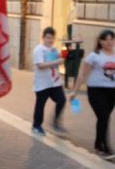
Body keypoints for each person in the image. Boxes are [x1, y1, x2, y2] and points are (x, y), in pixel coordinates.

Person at [69, 29, 115, 159]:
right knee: (104, 116)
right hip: (96, 91)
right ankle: (104, 147)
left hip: (112, 92)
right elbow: (82, 74)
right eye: (106, 39)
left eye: (112, 39)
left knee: (103, 118)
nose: (109, 42)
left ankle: (98, 144)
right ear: (100, 41)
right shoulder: (94, 55)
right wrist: (75, 91)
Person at [32, 27, 67, 136]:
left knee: (61, 100)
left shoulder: (54, 49)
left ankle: (56, 121)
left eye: (52, 38)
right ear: (43, 38)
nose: (50, 40)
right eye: (48, 38)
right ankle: (36, 126)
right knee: (40, 105)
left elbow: (58, 63)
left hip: (55, 82)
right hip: (42, 84)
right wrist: (57, 61)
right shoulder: (38, 50)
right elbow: (40, 65)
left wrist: (63, 58)